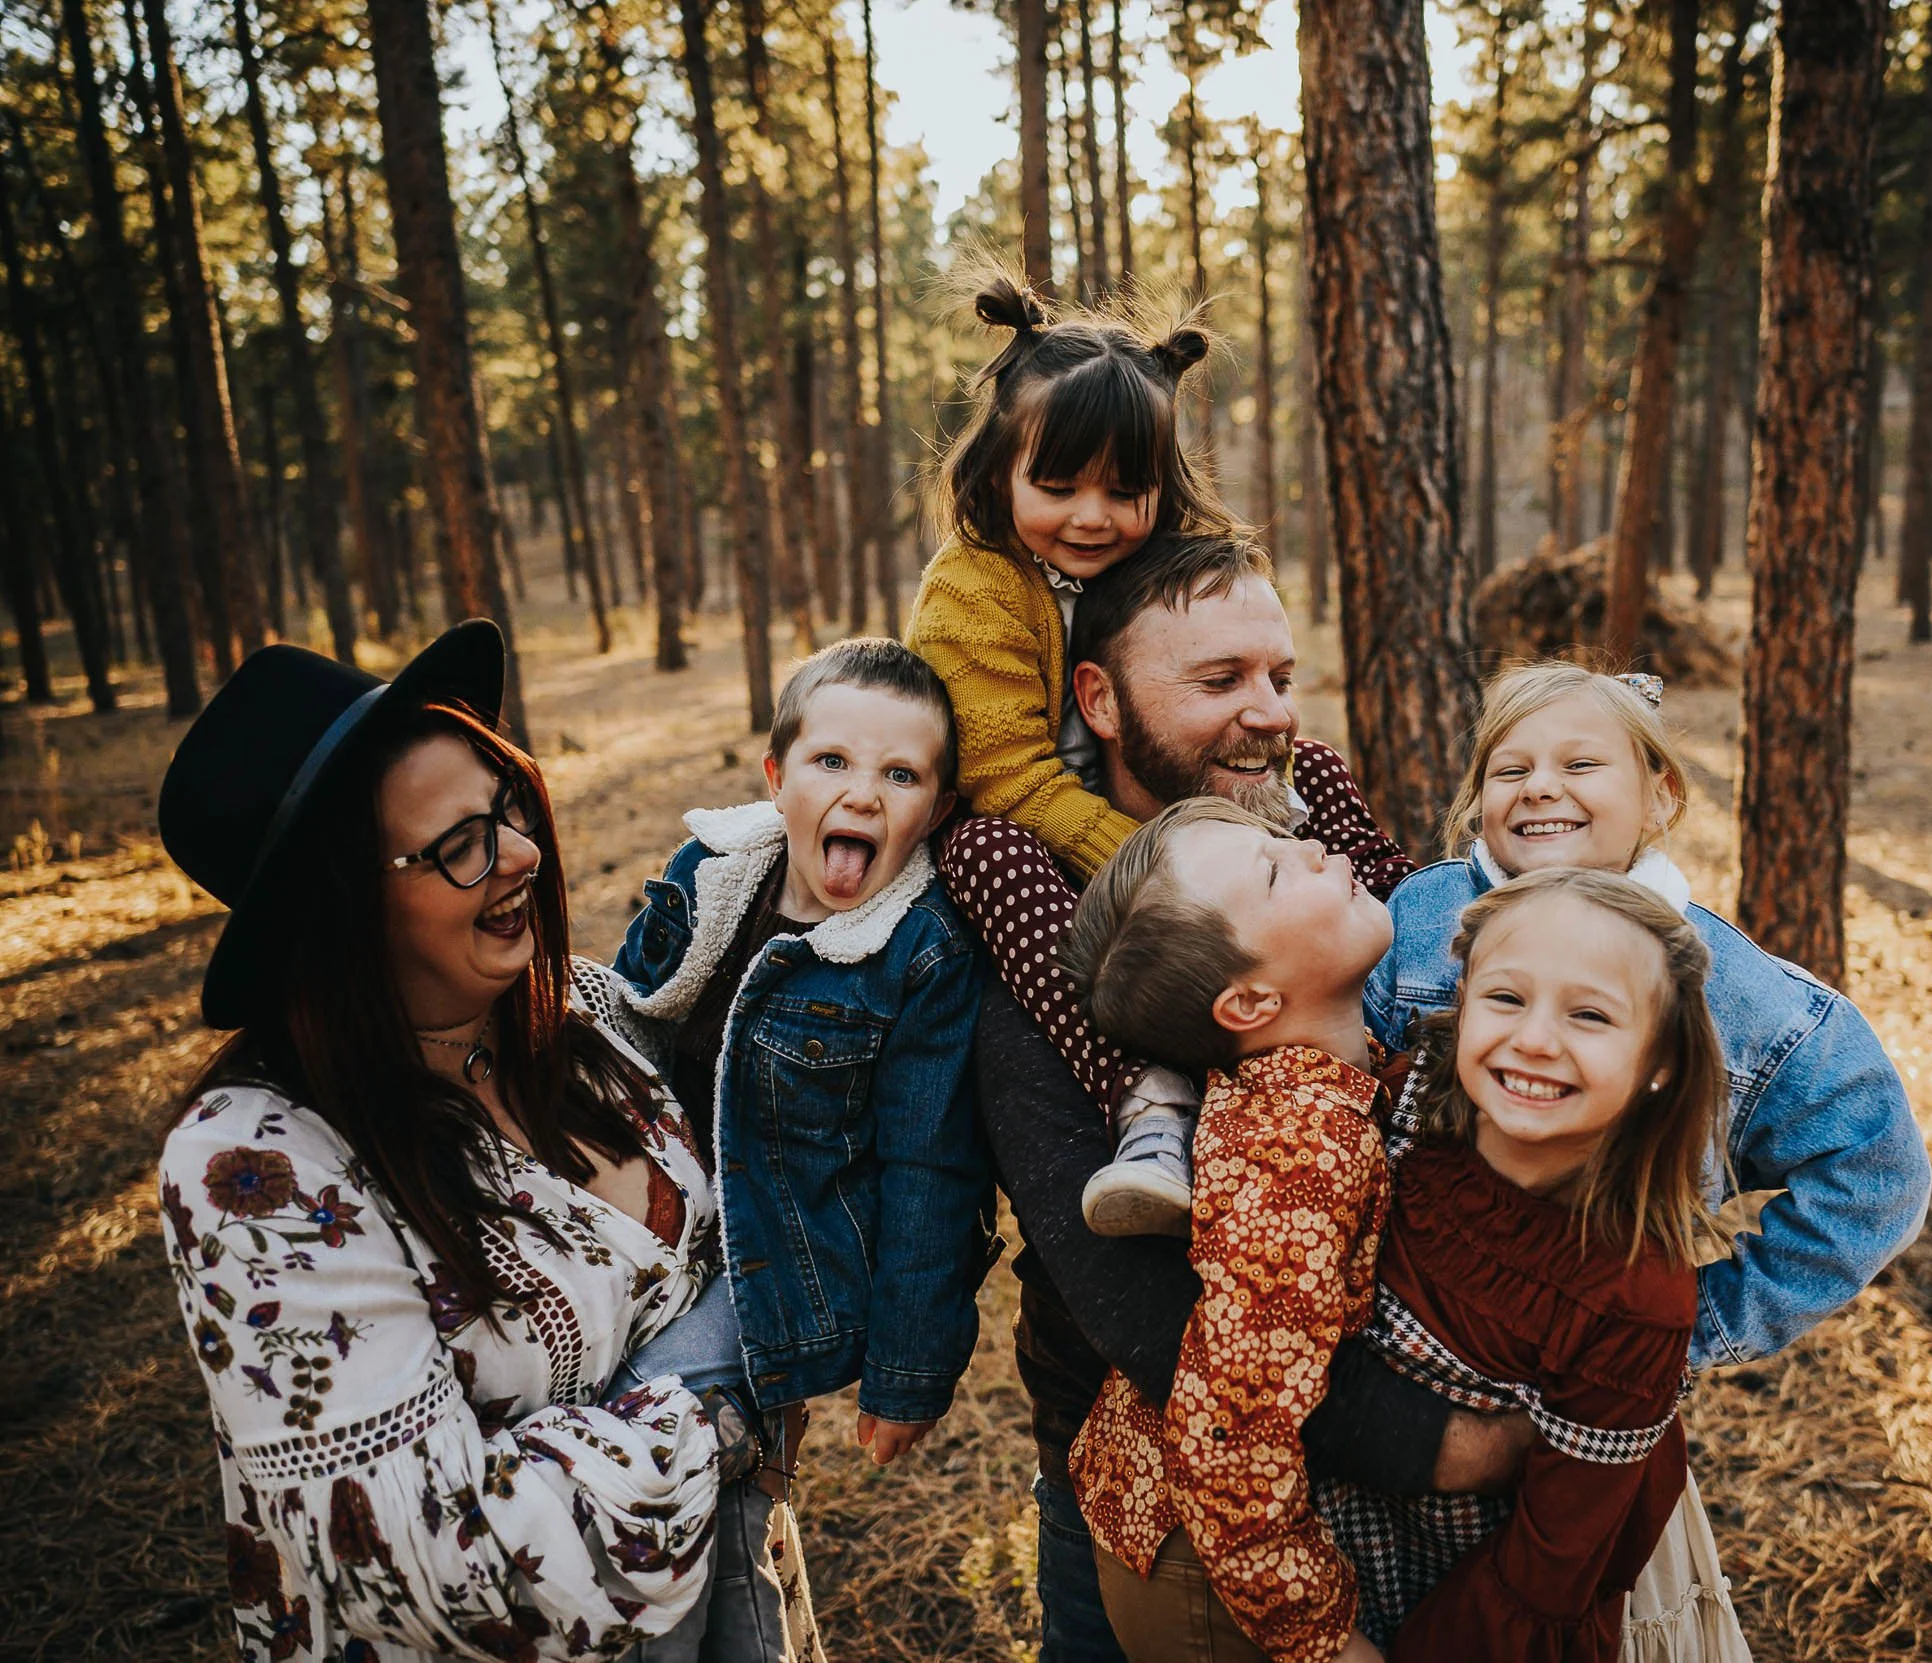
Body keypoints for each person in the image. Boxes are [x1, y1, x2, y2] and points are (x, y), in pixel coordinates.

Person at [154, 623, 810, 1661]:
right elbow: (444, 1571)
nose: (524, 853)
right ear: (342, 913)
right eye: (459, 844)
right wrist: (719, 1394)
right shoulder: (257, 1170)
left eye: (508, 805)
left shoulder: (588, 1018)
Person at [936, 535, 1530, 1660]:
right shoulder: (1052, 935)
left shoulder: (1309, 862)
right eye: (1218, 681)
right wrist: (1455, 1444)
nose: (1269, 717)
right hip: (1167, 1491)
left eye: (1280, 677)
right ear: (1099, 700)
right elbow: (1150, 1312)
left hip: (1353, 1490)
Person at [1367, 660, 1931, 1378]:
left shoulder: (1734, 992)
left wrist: (1691, 1330)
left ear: (1659, 798)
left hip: (1585, 1384)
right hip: (1390, 1342)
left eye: (1580, 763)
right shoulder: (1416, 920)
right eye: (1510, 770)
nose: (1540, 786)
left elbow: (1879, 1174)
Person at [1324, 869, 1734, 1662]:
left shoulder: (1637, 1293)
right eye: (1506, 998)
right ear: (1464, 999)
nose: (1536, 1038)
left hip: (1466, 1604)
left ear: (1660, 1064)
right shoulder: (1397, 1111)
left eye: (1590, 1014)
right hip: (1318, 1554)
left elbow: (1550, 1566)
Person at [606, 640, 993, 1473]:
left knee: (647, 1397)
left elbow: (933, 1171)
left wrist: (907, 1372)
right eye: (831, 760)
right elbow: (624, 1011)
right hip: (660, 1208)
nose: (862, 792)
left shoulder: (922, 954)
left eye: (901, 775)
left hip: (786, 1259)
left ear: (935, 807)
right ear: (777, 778)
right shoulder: (711, 872)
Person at [904, 275, 1232, 1235]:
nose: (1091, 515)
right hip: (1026, 838)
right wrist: (1152, 851)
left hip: (1136, 821)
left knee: (1311, 772)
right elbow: (1005, 777)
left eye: (1123, 491)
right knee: (984, 851)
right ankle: (1148, 1099)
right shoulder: (974, 588)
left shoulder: (1161, 572)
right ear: (999, 468)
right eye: (1057, 487)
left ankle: (1395, 981)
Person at [1059, 799, 1396, 1663]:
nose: (1315, 847)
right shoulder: (1299, 1153)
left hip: (1217, 1539)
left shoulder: (1323, 1075)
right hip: (1203, 1572)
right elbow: (1227, 1441)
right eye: (1279, 871)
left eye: (1283, 843)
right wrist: (1324, 1640)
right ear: (1250, 999)